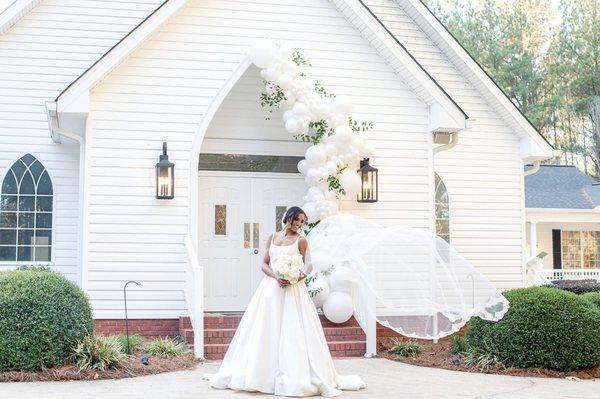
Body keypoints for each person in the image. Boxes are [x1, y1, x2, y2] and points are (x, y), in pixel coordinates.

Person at [203, 206, 366, 397]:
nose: (299, 225)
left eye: (302, 222)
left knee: (293, 332)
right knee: (266, 329)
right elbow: (264, 264)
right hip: (270, 291)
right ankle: (261, 375)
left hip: (293, 292)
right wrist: (275, 275)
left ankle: (294, 374)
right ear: (288, 218)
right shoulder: (272, 238)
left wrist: (296, 278)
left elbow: (309, 265)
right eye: (297, 220)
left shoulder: (301, 240)